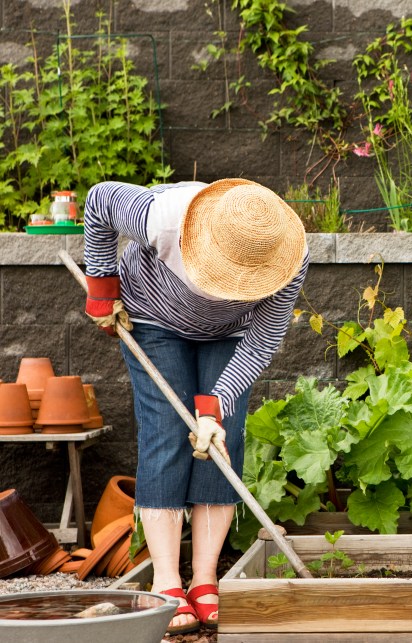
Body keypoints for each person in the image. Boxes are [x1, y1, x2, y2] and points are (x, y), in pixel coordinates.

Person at [82, 178, 308, 635]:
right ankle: (167, 579)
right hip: (152, 317)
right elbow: (99, 201)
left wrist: (215, 408)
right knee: (166, 430)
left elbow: (262, 342)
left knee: (222, 440)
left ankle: (205, 578)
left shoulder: (288, 256)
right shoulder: (163, 219)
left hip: (231, 334)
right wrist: (102, 289)